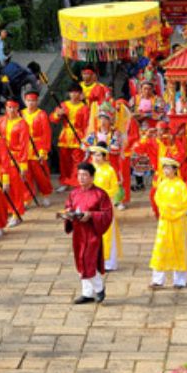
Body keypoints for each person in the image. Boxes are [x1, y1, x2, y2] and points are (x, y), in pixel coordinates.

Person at [61, 162, 114, 304]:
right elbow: (68, 207)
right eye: (79, 175)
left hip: (92, 233)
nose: (81, 178)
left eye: (85, 175)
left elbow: (107, 214)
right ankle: (87, 293)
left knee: (88, 261)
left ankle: (99, 287)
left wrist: (91, 215)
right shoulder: (74, 193)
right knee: (80, 260)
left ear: (92, 177)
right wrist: (68, 214)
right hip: (78, 232)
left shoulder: (100, 194)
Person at [149, 157, 187, 288]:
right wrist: (165, 209)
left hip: (178, 221)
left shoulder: (181, 185)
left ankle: (179, 280)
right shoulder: (162, 183)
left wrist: (172, 210)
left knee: (179, 248)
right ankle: (158, 279)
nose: (166, 171)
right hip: (164, 221)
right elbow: (157, 198)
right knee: (160, 248)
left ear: (175, 170)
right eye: (164, 168)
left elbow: (185, 204)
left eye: (168, 168)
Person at [89, 144, 123, 271]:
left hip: (105, 205)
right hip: (91, 205)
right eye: (94, 155)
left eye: (99, 155)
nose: (96, 158)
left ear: (104, 156)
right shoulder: (90, 169)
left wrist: (101, 195)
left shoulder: (109, 170)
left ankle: (109, 262)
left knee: (107, 233)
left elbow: (114, 189)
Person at [52, 85, 90, 190]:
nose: (74, 95)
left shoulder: (84, 107)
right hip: (65, 136)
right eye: (72, 92)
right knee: (64, 161)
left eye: (76, 92)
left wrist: (86, 139)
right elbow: (53, 119)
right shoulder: (63, 105)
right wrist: (58, 114)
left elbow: (86, 125)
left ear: (80, 94)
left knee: (77, 160)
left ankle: (75, 181)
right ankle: (65, 181)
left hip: (78, 136)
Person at [0, 100, 32, 216]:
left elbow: (24, 145)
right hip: (2, 159)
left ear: (18, 108)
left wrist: (23, 164)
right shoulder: (1, 121)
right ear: (5, 108)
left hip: (15, 159)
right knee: (3, 186)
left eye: (14, 107)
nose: (11, 110)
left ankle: (17, 212)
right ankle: (8, 209)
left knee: (15, 188)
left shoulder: (22, 124)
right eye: (9, 107)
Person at [22, 90, 53, 206]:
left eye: (33, 101)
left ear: (37, 101)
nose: (31, 103)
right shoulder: (21, 114)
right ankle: (27, 197)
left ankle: (45, 194)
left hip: (38, 147)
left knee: (41, 174)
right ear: (25, 101)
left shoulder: (41, 114)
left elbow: (46, 133)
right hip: (24, 149)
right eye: (29, 101)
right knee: (26, 175)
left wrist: (43, 150)